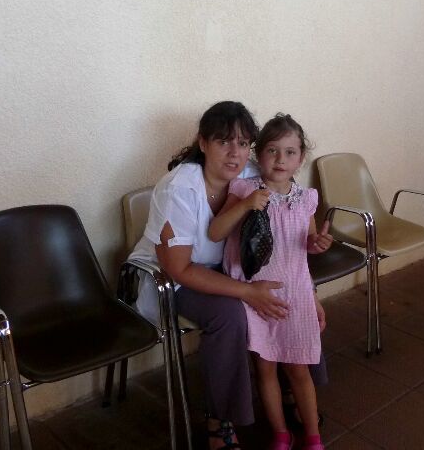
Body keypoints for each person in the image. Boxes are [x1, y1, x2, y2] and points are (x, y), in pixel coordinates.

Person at [128, 102, 327, 450]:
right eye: (223, 142)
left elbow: (287, 243)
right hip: (171, 277)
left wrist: (308, 292)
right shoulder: (179, 189)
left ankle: (293, 385)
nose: (235, 153)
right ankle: (219, 418)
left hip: (229, 267)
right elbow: (179, 268)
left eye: (244, 143)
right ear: (203, 143)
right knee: (230, 316)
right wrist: (247, 292)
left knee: (293, 303)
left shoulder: (252, 171)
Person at [209, 114, 333, 450]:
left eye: (290, 152)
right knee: (265, 370)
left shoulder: (305, 198)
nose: (281, 159)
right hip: (255, 298)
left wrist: (317, 245)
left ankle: (313, 436)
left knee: (299, 371)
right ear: (259, 154)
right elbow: (216, 232)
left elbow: (305, 246)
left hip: (293, 296)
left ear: (301, 158)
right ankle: (280, 433)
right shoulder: (244, 189)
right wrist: (246, 205)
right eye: (272, 151)